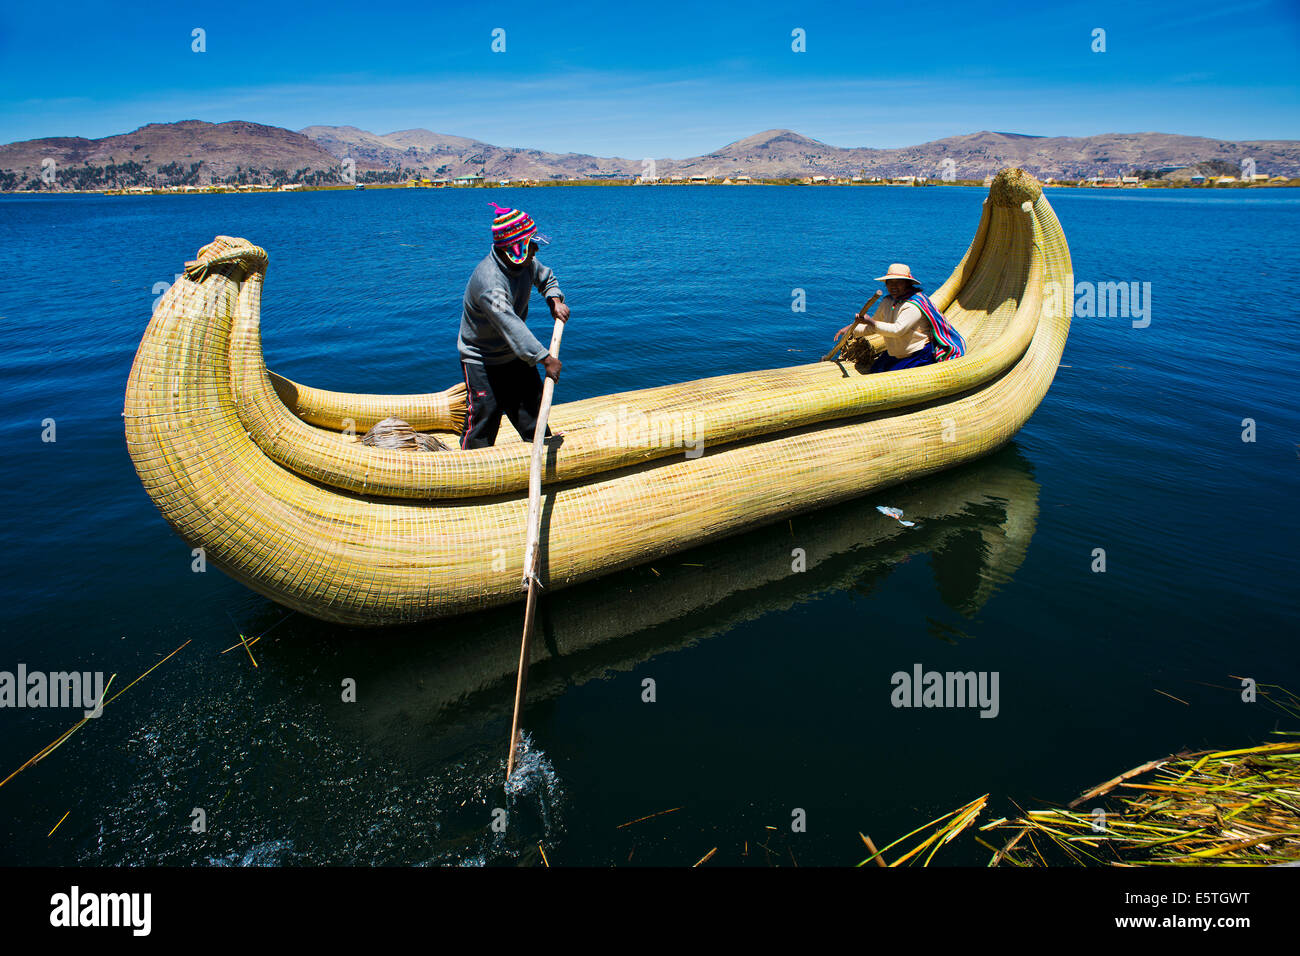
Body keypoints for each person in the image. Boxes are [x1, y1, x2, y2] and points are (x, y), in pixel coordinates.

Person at [458, 203, 571, 449]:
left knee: (532, 408)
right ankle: (471, 468)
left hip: (513, 354)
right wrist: (545, 358)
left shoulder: (525, 262)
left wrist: (553, 298)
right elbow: (511, 326)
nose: (536, 249)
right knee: (484, 417)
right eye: (532, 244)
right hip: (482, 360)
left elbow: (546, 277)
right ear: (515, 248)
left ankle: (538, 454)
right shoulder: (490, 283)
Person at [834, 263, 966, 373]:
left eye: (899, 282)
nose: (893, 286)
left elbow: (897, 330)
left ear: (908, 284)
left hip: (917, 355)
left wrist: (870, 321)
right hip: (894, 354)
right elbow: (873, 327)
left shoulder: (913, 305)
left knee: (888, 380)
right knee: (874, 372)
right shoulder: (887, 302)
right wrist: (851, 330)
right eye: (890, 282)